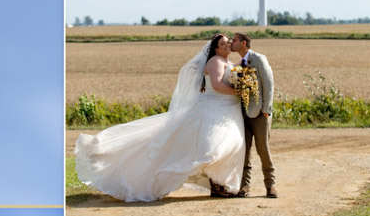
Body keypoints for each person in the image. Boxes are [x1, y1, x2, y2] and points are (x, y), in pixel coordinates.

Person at [73, 34, 246, 202]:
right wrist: (240, 91)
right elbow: (216, 85)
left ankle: (219, 185)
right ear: (215, 48)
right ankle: (213, 185)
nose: (227, 45)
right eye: (222, 44)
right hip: (214, 107)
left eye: (228, 43)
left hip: (227, 109)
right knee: (214, 147)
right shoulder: (215, 61)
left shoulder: (228, 62)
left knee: (227, 145)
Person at [229, 32, 275, 198]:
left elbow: (268, 84)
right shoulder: (237, 64)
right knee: (244, 151)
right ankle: (244, 186)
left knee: (263, 150)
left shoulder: (259, 59)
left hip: (259, 114)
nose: (230, 43)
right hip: (241, 114)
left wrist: (266, 110)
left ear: (243, 43)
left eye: (234, 40)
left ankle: (271, 185)